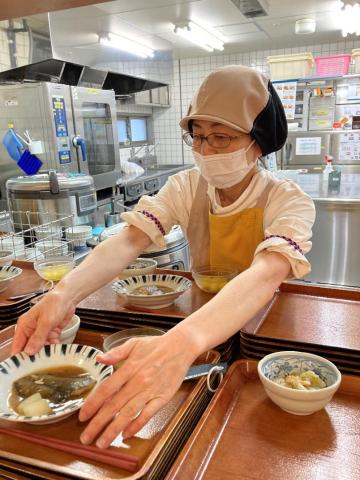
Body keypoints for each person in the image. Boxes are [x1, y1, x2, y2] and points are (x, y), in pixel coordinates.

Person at [11, 65, 315, 449]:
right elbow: (129, 240)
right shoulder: (187, 186)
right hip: (202, 320)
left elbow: (268, 272)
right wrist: (62, 294)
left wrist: (178, 345)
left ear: (259, 141)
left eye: (221, 138)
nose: (205, 151)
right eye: (199, 137)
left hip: (264, 327)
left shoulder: (288, 199)